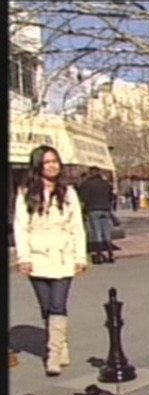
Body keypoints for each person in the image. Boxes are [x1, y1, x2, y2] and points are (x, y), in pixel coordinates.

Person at [13, 145, 88, 377]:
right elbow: (20, 226)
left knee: (58, 305)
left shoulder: (68, 192)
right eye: (47, 162)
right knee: (46, 307)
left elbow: (77, 227)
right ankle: (60, 343)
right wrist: (24, 257)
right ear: (38, 165)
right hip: (37, 256)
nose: (52, 166)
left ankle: (53, 354)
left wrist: (80, 256)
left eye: (55, 161)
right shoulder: (26, 192)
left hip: (63, 255)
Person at [78, 166, 116, 263]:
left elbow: (83, 197)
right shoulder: (106, 184)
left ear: (90, 173)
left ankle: (99, 255)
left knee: (96, 233)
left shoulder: (87, 184)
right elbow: (111, 196)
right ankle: (110, 254)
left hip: (93, 209)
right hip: (105, 209)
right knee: (106, 232)